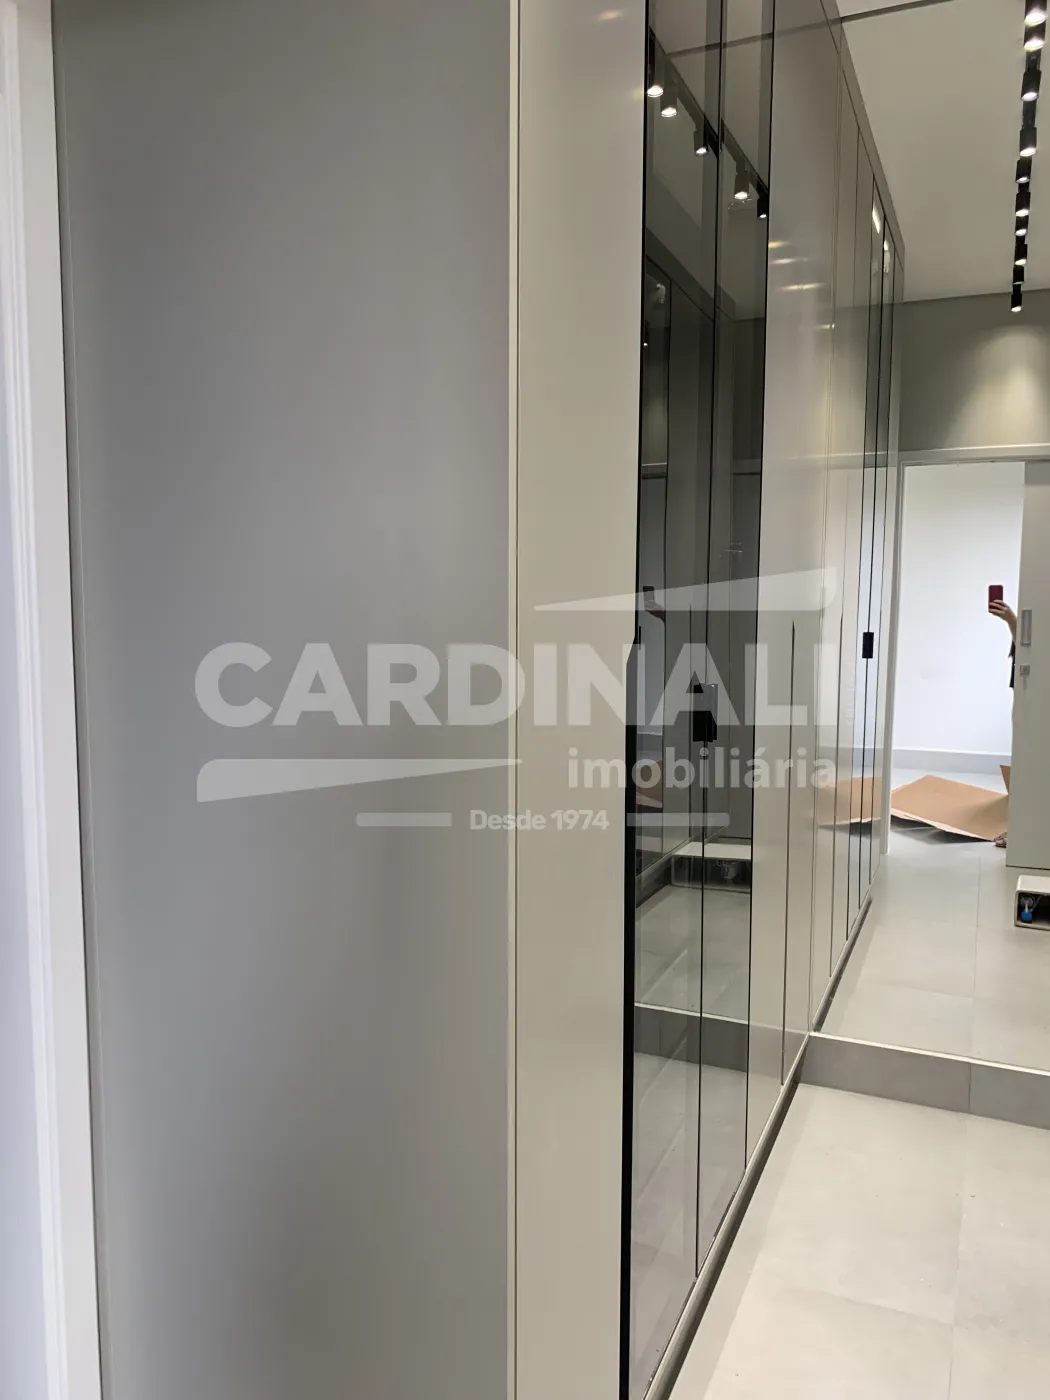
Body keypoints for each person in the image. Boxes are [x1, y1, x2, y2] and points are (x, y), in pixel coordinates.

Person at [989, 597, 1017, 848]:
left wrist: (1012, 620)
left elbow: (1033, 649)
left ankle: (1023, 832)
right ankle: (1020, 828)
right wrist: (1011, 621)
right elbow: (1025, 648)